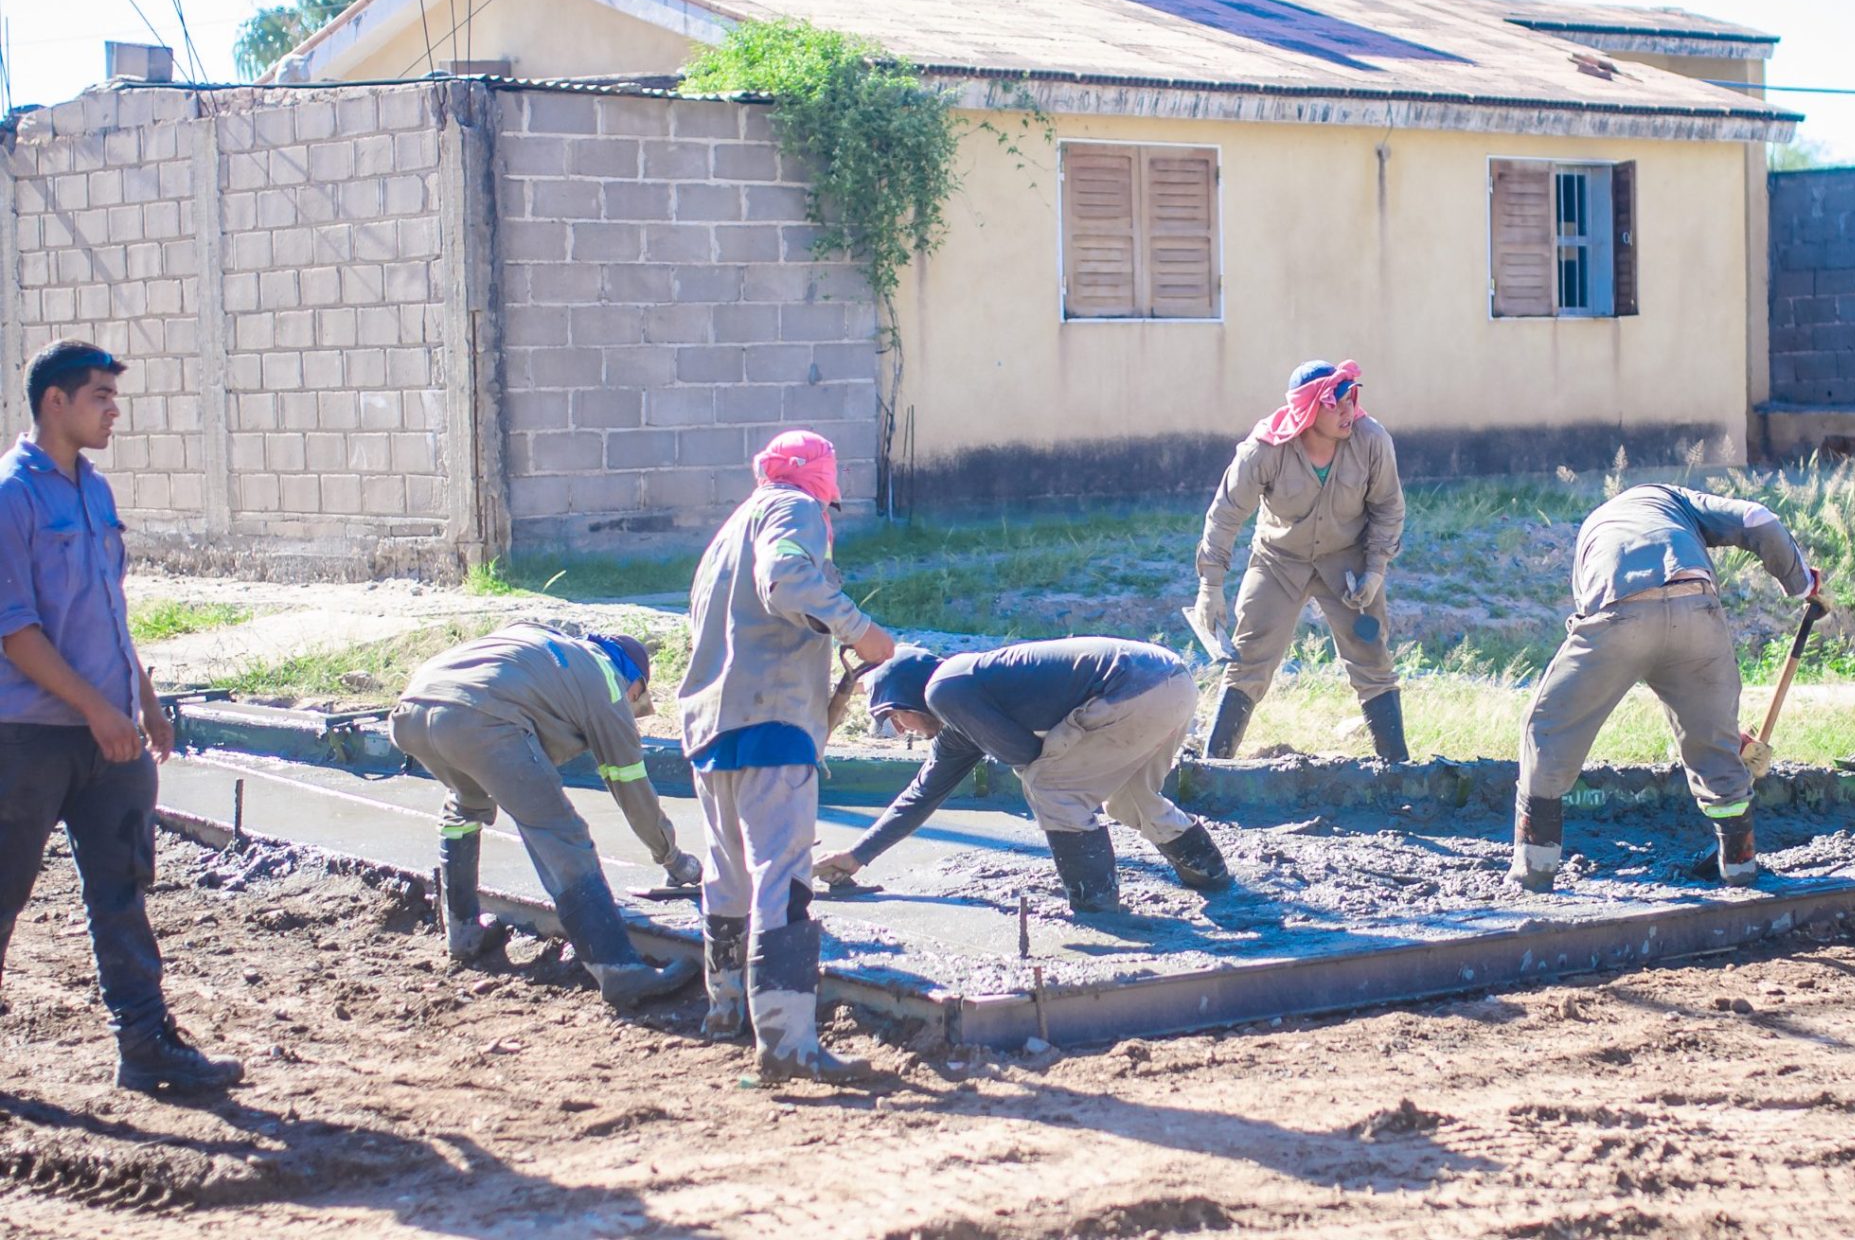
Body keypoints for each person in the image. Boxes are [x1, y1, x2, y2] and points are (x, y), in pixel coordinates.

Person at [0, 340, 242, 1092]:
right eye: (100, 396)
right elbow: (14, 630)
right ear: (55, 403)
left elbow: (107, 604)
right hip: (28, 739)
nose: (113, 410)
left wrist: (141, 694)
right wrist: (97, 708)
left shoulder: (95, 491)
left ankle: (144, 1045)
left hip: (110, 734)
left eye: (114, 395)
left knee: (123, 892)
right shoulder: (11, 496)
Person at [678, 429, 897, 1085]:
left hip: (711, 723)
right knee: (783, 876)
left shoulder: (726, 533)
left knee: (729, 874)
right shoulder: (793, 509)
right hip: (772, 715)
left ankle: (725, 1012)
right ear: (821, 479)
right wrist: (864, 633)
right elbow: (785, 579)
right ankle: (788, 1042)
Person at [1510, 484, 1822, 894]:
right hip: (1698, 609)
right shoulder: (1678, 502)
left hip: (1617, 609)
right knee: (1717, 750)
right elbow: (1758, 520)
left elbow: (1592, 618)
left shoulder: (1595, 529)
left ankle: (1534, 870)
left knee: (1549, 730)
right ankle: (1741, 870)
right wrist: (1801, 584)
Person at [389, 620, 701, 1010]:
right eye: (638, 696)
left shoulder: (550, 651)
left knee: (464, 805)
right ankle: (618, 969)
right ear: (633, 680)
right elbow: (631, 788)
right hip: (480, 717)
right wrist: (672, 857)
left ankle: (463, 933)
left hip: (413, 710)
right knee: (561, 834)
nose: (634, 704)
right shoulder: (607, 682)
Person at [819, 639, 1230, 912]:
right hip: (1171, 682)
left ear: (909, 695)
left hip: (1131, 691)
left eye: (894, 715)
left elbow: (1025, 755)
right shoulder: (963, 697)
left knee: (1048, 784)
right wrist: (857, 857)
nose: (900, 729)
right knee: (1127, 796)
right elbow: (923, 794)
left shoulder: (944, 689)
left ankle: (1096, 901)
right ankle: (1206, 870)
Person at [1194, 361, 1407, 762]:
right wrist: (1210, 586)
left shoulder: (1371, 440)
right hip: (1278, 560)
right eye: (1336, 404)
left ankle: (1398, 772)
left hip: (1348, 560)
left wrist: (1376, 569)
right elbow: (1225, 514)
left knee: (1372, 660)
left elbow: (1389, 508)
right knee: (1248, 659)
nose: (1349, 412)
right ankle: (1213, 766)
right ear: (1309, 410)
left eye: (1352, 400)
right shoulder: (1263, 450)